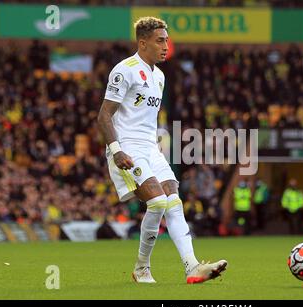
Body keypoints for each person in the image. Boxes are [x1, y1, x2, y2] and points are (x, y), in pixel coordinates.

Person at [97, 17, 227, 284]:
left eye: (166, 40)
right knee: (157, 202)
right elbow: (104, 116)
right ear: (142, 43)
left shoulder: (159, 76)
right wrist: (116, 149)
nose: (166, 45)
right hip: (127, 148)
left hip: (150, 148)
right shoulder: (125, 70)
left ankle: (192, 266)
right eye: (160, 40)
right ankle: (142, 268)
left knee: (174, 202)